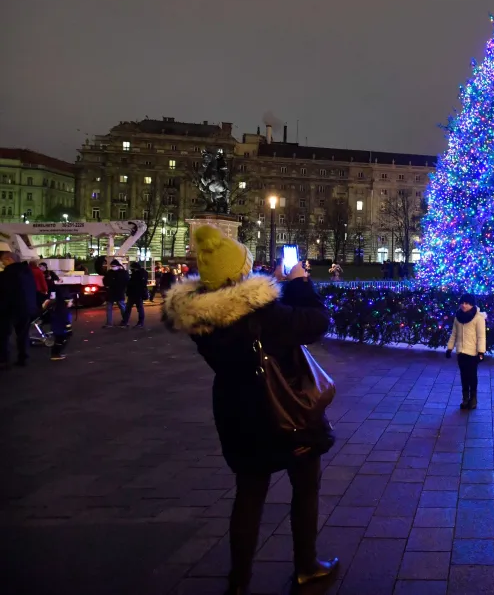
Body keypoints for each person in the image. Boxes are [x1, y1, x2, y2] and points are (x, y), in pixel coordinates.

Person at [162, 225, 338, 594]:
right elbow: (317, 322)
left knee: (249, 494)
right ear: (242, 272)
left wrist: (270, 286)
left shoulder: (202, 317)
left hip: (236, 412)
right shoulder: (264, 314)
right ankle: (306, 565)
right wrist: (299, 282)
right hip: (284, 412)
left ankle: (238, 582)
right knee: (305, 486)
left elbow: (244, 307)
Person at [445, 293, 487, 410]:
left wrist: (481, 352)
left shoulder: (478, 318)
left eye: (467, 303)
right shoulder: (458, 317)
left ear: (472, 304)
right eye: (462, 303)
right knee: (463, 376)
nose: (464, 305)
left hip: (473, 353)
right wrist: (450, 348)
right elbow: (454, 334)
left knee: (472, 376)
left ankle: (473, 398)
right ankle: (465, 398)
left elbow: (481, 336)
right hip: (461, 352)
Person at [0, 244, 39, 368]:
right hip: (27, 308)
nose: (3, 264)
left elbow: (5, 293)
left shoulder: (7, 274)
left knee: (4, 335)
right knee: (23, 334)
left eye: (3, 261)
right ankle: (23, 358)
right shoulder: (27, 272)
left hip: (10, 309)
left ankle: (4, 360)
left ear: (9, 260)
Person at [47, 284, 74, 361]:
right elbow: (66, 320)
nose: (72, 304)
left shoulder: (59, 306)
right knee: (61, 341)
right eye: (71, 302)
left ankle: (56, 353)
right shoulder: (64, 310)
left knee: (59, 340)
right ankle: (55, 354)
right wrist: (69, 330)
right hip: (61, 329)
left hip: (57, 328)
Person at [102, 259, 129, 327]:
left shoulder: (122, 273)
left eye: (114, 266)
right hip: (112, 292)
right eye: (112, 266)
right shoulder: (110, 272)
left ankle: (125, 321)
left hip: (118, 292)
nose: (112, 267)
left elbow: (125, 282)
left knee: (121, 307)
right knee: (110, 308)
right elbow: (105, 280)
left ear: (118, 266)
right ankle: (110, 323)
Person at [125, 261, 148, 327]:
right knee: (138, 308)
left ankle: (126, 321)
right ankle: (140, 322)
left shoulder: (137, 274)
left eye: (132, 268)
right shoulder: (142, 273)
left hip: (136, 293)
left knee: (130, 308)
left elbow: (134, 284)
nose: (131, 269)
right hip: (136, 293)